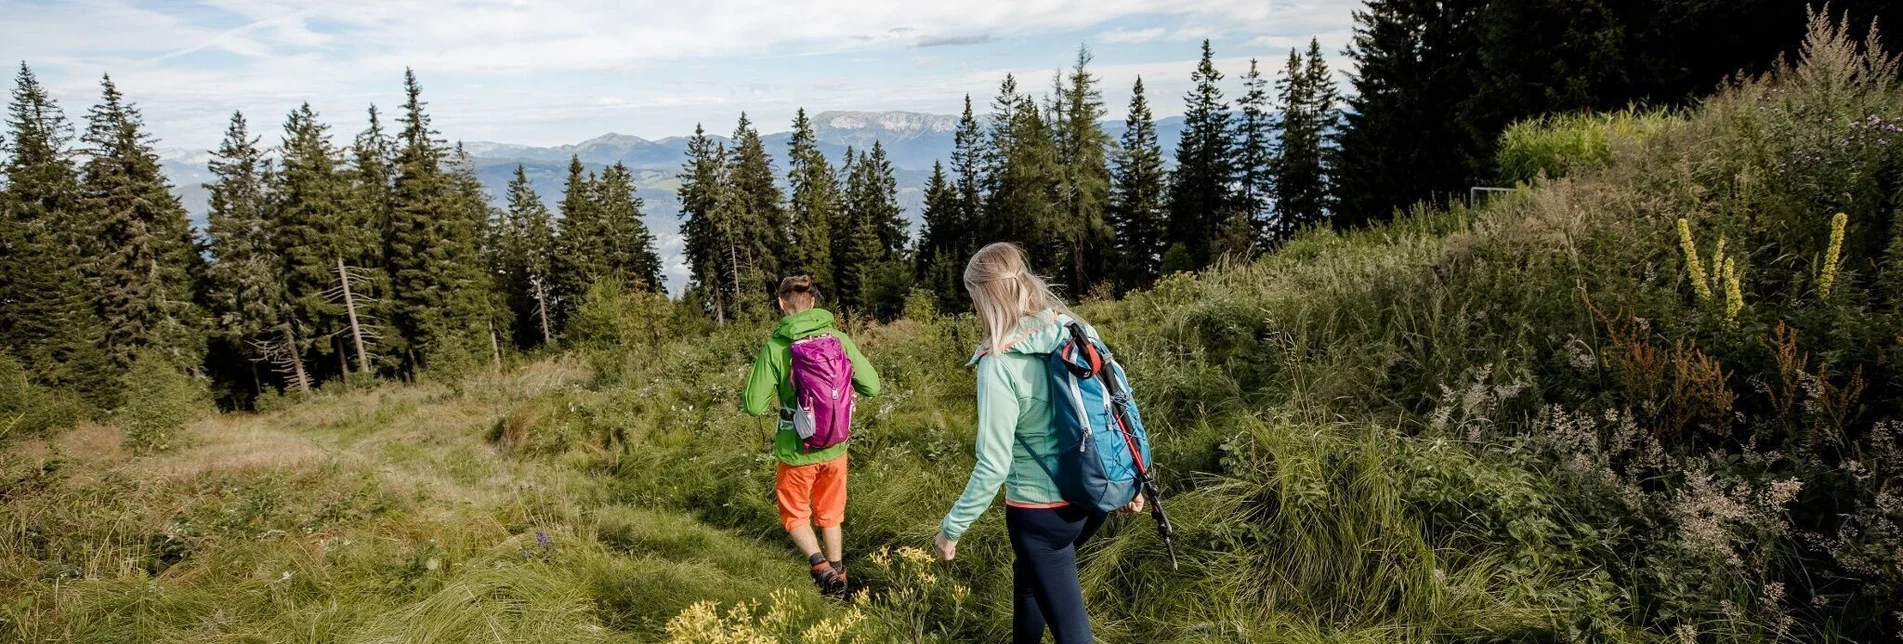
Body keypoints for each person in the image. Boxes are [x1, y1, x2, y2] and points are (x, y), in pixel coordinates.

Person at [934, 242, 1142, 644]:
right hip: (1090, 496)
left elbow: (993, 463)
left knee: (1072, 633)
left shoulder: (999, 363)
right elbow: (1118, 408)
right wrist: (1130, 480)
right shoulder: (1074, 329)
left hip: (1041, 518)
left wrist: (951, 529)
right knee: (1028, 578)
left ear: (984, 298)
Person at [744, 276, 880, 597]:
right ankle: (840, 574)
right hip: (835, 445)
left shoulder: (776, 347)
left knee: (795, 513)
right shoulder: (839, 339)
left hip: (796, 450)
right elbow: (872, 385)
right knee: (831, 510)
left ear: (781, 303)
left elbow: (753, 405)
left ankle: (820, 566)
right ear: (814, 303)